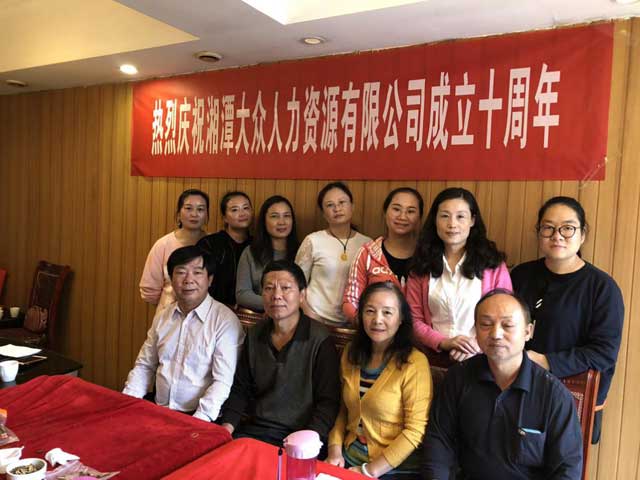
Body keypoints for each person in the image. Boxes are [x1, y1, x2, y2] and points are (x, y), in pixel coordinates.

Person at [423, 289, 583, 480]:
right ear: (475, 330)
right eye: (486, 324)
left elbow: (567, 470)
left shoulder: (554, 395)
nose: (496, 334)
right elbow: (439, 443)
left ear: (528, 331)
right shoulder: (458, 378)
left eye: (507, 325)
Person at [511, 196, 624, 443]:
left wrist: (546, 361)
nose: (557, 236)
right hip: (518, 392)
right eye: (548, 228)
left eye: (568, 228)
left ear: (582, 235)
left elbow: (604, 352)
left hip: (572, 400)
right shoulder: (521, 275)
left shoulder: (602, 287)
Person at [220, 260, 341, 447]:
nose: (276, 295)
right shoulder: (255, 334)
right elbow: (240, 389)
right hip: (255, 430)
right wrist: (226, 429)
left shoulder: (320, 339)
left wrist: (305, 442)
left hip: (300, 437)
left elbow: (328, 403)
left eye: (285, 288)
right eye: (269, 288)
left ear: (302, 295)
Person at [124, 246, 244, 422]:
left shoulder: (224, 321)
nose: (188, 280)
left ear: (210, 280)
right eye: (181, 272)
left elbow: (222, 381)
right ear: (171, 279)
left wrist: (197, 421)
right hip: (159, 410)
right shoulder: (163, 317)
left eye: (197, 273)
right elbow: (145, 366)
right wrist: (126, 403)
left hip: (201, 417)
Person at [328, 281, 432, 479]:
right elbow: (343, 411)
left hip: (394, 469)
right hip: (349, 459)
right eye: (370, 311)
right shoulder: (351, 352)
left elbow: (415, 431)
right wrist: (334, 451)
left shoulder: (415, 363)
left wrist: (368, 471)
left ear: (401, 319)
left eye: (387, 312)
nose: (377, 319)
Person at [406, 187, 511, 361]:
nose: (452, 224)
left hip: (482, 358)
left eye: (460, 216)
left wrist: (476, 345)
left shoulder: (493, 264)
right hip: (431, 358)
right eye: (444, 216)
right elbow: (413, 319)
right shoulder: (421, 264)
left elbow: (505, 315)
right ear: (435, 220)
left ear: (472, 220)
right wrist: (443, 342)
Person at [343, 187, 424, 324]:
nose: (402, 216)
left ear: (419, 217)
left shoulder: (427, 255)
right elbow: (351, 301)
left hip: (419, 335)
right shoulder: (367, 253)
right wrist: (372, 325)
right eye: (396, 209)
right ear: (385, 212)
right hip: (375, 333)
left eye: (410, 211)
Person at [296, 182, 371, 326]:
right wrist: (309, 313)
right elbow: (296, 282)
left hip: (353, 322)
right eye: (330, 205)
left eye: (342, 202)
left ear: (352, 206)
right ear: (324, 214)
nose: (337, 208)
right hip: (315, 319)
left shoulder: (367, 244)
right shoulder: (313, 241)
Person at [140, 189, 209, 311]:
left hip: (207, 315)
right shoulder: (163, 244)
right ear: (178, 214)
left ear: (207, 215)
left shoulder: (214, 243)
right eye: (188, 208)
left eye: (200, 209)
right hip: (169, 313)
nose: (194, 214)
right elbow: (150, 290)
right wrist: (168, 306)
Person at [235, 195, 299, 312]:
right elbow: (242, 294)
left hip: (294, 317)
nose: (282, 222)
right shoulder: (251, 252)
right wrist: (276, 304)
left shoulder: (302, 251)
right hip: (259, 317)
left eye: (286, 216)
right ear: (264, 221)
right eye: (274, 216)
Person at [197, 191, 253, 306]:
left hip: (249, 311)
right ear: (225, 218)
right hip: (213, 309)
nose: (242, 213)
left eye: (246, 208)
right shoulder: (209, 244)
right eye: (235, 210)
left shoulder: (257, 245)